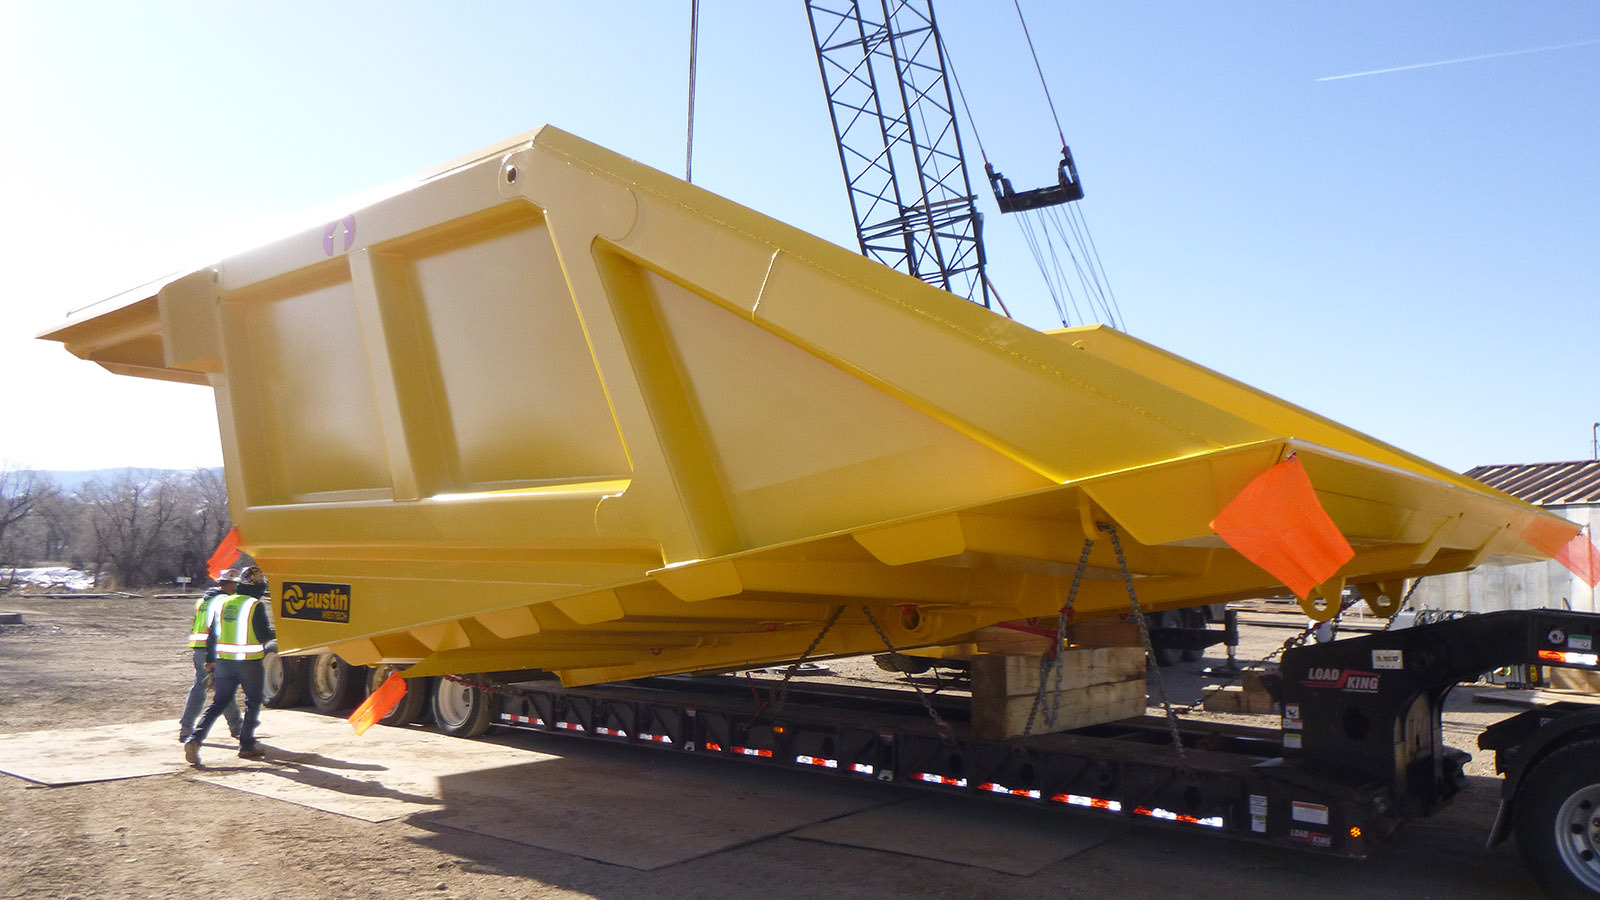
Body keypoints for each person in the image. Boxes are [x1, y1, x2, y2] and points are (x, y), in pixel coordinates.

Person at [184, 565, 276, 765]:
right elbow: (263, 635)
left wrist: (210, 660)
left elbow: (211, 634)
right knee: (253, 701)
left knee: (219, 702)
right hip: (248, 663)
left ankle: (195, 738)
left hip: (224, 662)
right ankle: (246, 745)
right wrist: (279, 635)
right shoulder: (254, 605)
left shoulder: (222, 603)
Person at [178, 570, 243, 743]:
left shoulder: (203, 600)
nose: (236, 587)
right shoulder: (225, 601)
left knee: (201, 688)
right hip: (213, 650)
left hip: (199, 648)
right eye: (235, 583)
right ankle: (238, 728)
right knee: (222, 689)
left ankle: (186, 729)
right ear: (228, 584)